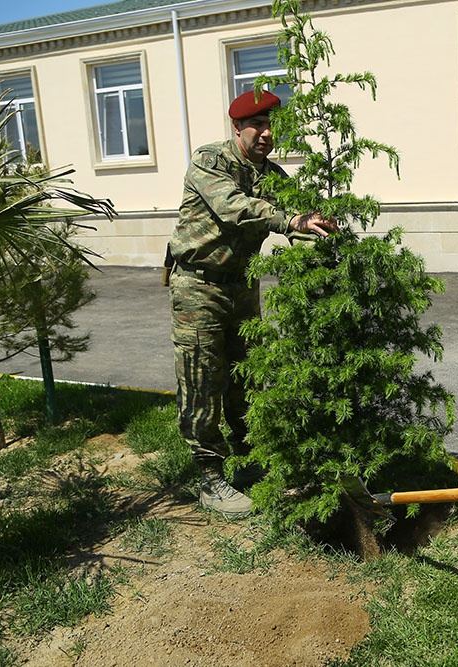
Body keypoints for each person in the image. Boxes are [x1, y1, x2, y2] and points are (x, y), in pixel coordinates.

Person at [169, 90, 336, 519]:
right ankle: (209, 476)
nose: (265, 133)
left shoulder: (275, 175)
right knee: (203, 378)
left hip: (243, 287)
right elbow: (234, 209)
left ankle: (248, 460)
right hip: (197, 287)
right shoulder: (210, 162)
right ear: (237, 127)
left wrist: (320, 234)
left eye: (270, 125)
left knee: (247, 376)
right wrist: (290, 220)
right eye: (256, 125)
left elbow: (295, 218)